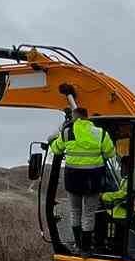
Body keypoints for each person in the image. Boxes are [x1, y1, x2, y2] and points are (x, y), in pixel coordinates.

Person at [48, 106, 113, 253]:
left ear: (74, 117)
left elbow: (56, 149)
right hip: (93, 180)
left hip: (73, 179)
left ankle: (77, 245)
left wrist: (52, 140)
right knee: (89, 214)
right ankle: (86, 248)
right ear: (87, 117)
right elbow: (110, 153)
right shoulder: (100, 133)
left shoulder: (67, 132)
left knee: (75, 211)